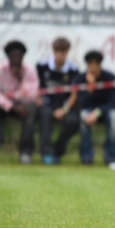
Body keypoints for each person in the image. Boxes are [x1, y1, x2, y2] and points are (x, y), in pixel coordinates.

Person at [0, 40, 39, 164]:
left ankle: (26, 152)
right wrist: (11, 106)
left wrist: (20, 78)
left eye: (19, 56)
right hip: (4, 105)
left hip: (22, 104)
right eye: (13, 56)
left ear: (23, 57)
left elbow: (32, 95)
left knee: (30, 110)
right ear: (8, 57)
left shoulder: (29, 71)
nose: (16, 59)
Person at [36, 36, 80, 165]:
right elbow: (35, 86)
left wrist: (64, 109)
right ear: (53, 51)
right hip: (46, 103)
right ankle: (46, 153)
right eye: (57, 51)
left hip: (64, 105)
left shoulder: (73, 69)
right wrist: (38, 99)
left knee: (73, 122)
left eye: (63, 52)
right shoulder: (42, 66)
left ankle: (57, 151)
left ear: (67, 52)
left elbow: (74, 93)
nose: (60, 55)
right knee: (45, 116)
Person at [75, 50, 115, 168]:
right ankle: (86, 156)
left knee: (114, 116)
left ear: (100, 64)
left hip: (105, 111)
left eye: (96, 64)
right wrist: (90, 89)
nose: (93, 68)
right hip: (88, 111)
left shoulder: (111, 77)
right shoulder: (80, 79)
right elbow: (82, 102)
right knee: (83, 115)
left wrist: (97, 112)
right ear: (87, 65)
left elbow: (113, 103)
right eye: (91, 64)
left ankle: (110, 157)